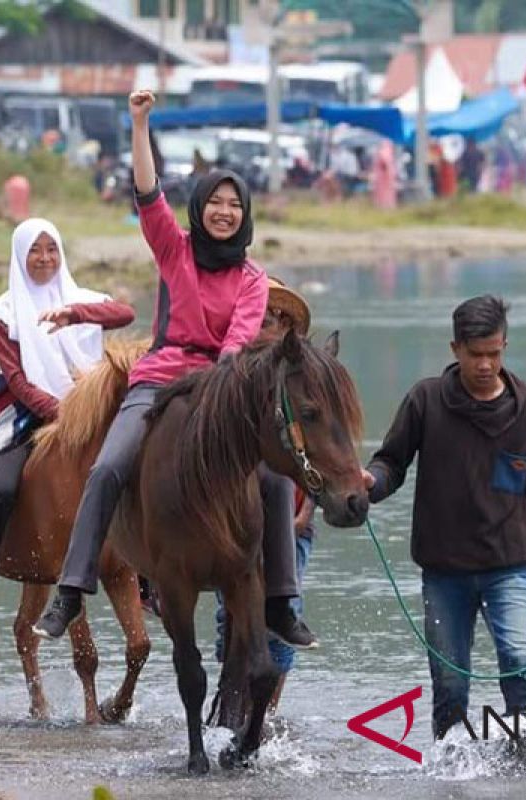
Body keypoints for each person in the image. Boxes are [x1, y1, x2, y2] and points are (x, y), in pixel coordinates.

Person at [34, 89, 315, 648]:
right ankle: (71, 588)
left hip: (222, 386)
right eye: (216, 202)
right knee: (109, 466)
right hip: (161, 379)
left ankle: (282, 602)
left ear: (245, 216)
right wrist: (140, 124)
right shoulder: (174, 249)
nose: (224, 212)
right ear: (200, 206)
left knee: (275, 480)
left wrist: (225, 378)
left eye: (234, 205)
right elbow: (146, 192)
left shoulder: (254, 278)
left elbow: (238, 338)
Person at [362, 295, 526, 744]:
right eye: (475, 354)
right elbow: (391, 463)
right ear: (455, 348)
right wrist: (370, 484)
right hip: (444, 573)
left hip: (510, 568)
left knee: (519, 661)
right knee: (450, 682)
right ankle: (450, 766)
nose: (485, 364)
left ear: (504, 346)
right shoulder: (425, 400)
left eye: (494, 354)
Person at [0, 219, 136, 641]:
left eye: (52, 249)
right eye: (36, 250)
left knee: (145, 467)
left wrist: (75, 314)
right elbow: (17, 381)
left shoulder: (81, 299)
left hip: (90, 407)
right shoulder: (2, 312)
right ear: (20, 255)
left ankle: (147, 577)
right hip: (27, 414)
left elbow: (126, 313)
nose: (45, 258)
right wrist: (63, 414)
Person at [214, 277, 317, 709]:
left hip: (293, 517)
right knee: (231, 616)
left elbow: (322, 451)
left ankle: (267, 709)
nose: (270, 327)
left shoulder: (305, 382)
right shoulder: (228, 382)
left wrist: (309, 509)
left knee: (283, 609)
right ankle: (231, 699)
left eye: (280, 320)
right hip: (234, 519)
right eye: (262, 317)